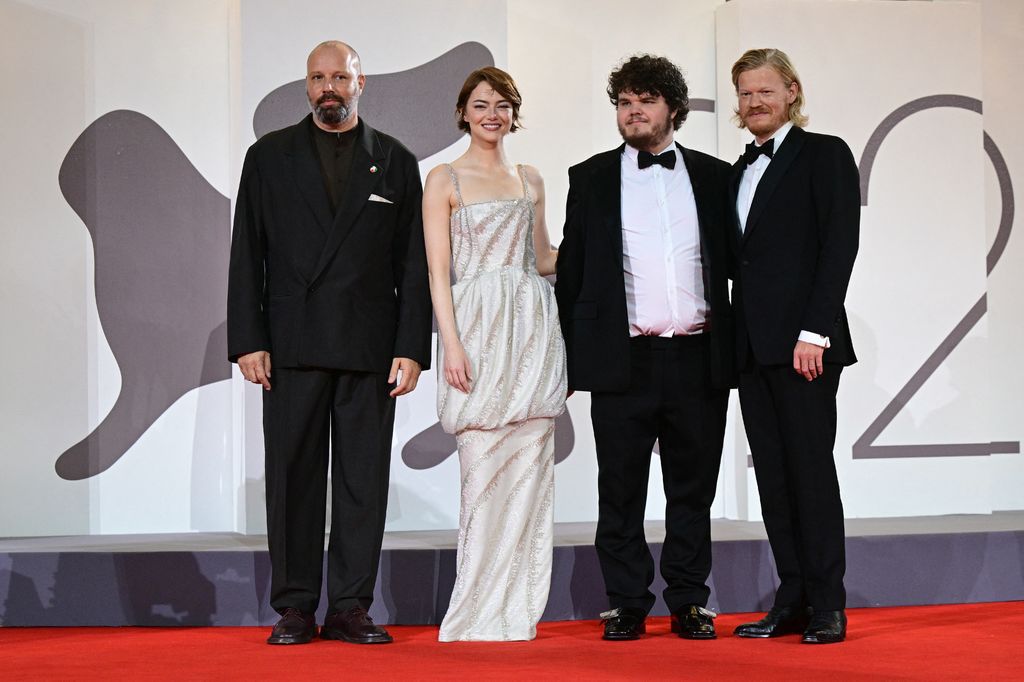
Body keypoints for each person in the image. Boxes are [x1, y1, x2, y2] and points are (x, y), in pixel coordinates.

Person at [227, 40, 432, 645]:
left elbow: (412, 265)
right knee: (292, 478)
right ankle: (294, 607)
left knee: (362, 481)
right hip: (291, 343)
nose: (328, 87)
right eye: (318, 77)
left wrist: (411, 346)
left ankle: (349, 606)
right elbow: (247, 253)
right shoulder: (268, 157)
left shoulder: (394, 160)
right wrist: (248, 338)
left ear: (360, 83)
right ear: (305, 84)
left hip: (369, 346)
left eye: (340, 76)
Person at [555, 55, 735, 641]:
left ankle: (689, 599)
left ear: (673, 109)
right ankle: (627, 601)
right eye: (624, 102)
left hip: (697, 356)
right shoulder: (589, 177)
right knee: (620, 488)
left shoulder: (714, 176)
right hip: (622, 360)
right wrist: (571, 358)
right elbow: (575, 275)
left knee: (694, 488)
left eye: (646, 101)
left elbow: (737, 266)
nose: (633, 111)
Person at [422, 66, 566, 642]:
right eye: (481, 104)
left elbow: (541, 259)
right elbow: (438, 272)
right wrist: (450, 344)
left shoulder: (530, 178)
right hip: (478, 332)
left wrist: (597, 245)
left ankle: (517, 610)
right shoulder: (444, 179)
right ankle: (476, 612)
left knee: (530, 476)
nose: (492, 113)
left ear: (513, 113)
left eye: (502, 104)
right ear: (463, 112)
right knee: (481, 475)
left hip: (531, 329)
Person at [727, 48, 859, 644]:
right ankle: (794, 597)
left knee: (810, 473)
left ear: (791, 92)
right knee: (774, 481)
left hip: (806, 345)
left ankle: (829, 602)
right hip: (752, 350)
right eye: (746, 93)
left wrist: (816, 331)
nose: (756, 102)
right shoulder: (737, 168)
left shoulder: (824, 153)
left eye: (766, 91)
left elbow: (839, 247)